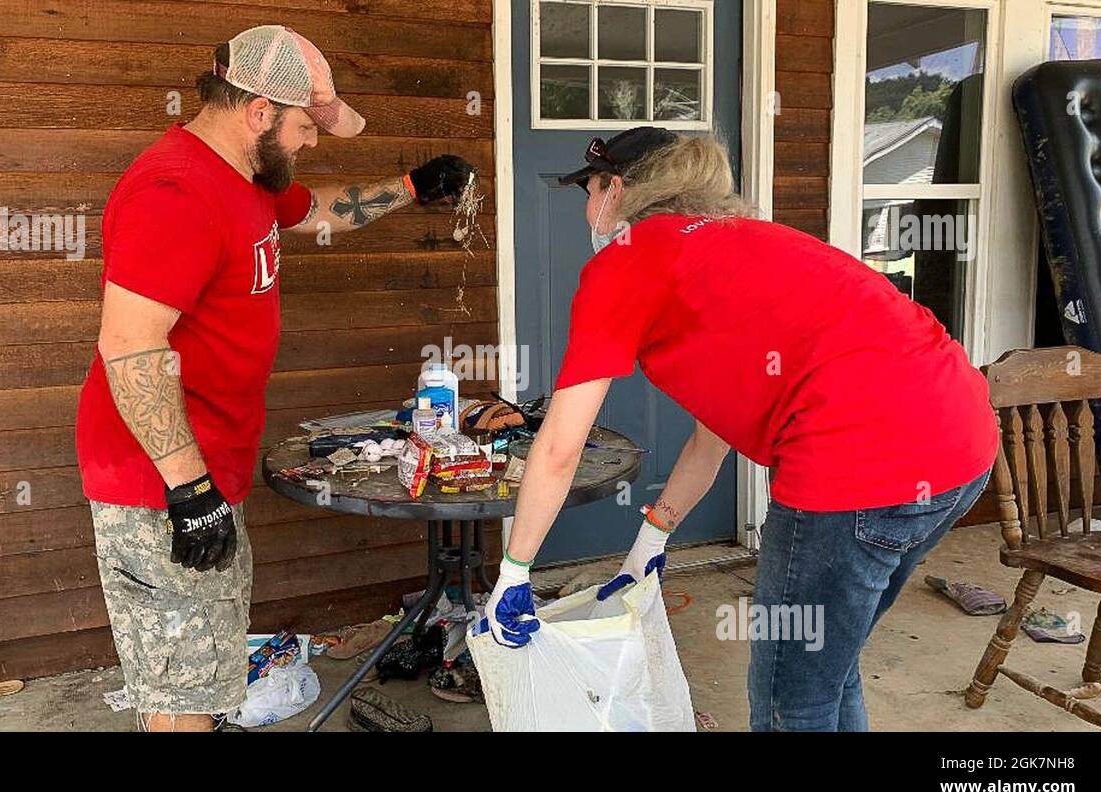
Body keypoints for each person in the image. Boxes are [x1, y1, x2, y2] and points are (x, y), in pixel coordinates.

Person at [483, 126, 997, 732]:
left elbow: (560, 448)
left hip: (858, 469)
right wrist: (653, 539)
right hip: (963, 445)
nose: (588, 208)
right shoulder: (749, 240)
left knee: (790, 699)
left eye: (587, 190)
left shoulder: (625, 262)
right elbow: (714, 431)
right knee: (828, 665)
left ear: (614, 190)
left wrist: (513, 573)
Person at [75, 25, 473, 732]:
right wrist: (187, 486)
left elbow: (321, 211)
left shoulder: (249, 176)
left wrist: (412, 187)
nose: (313, 141)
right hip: (154, 483)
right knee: (181, 691)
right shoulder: (175, 190)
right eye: (304, 126)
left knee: (201, 672)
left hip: (202, 468)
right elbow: (129, 344)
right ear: (259, 112)